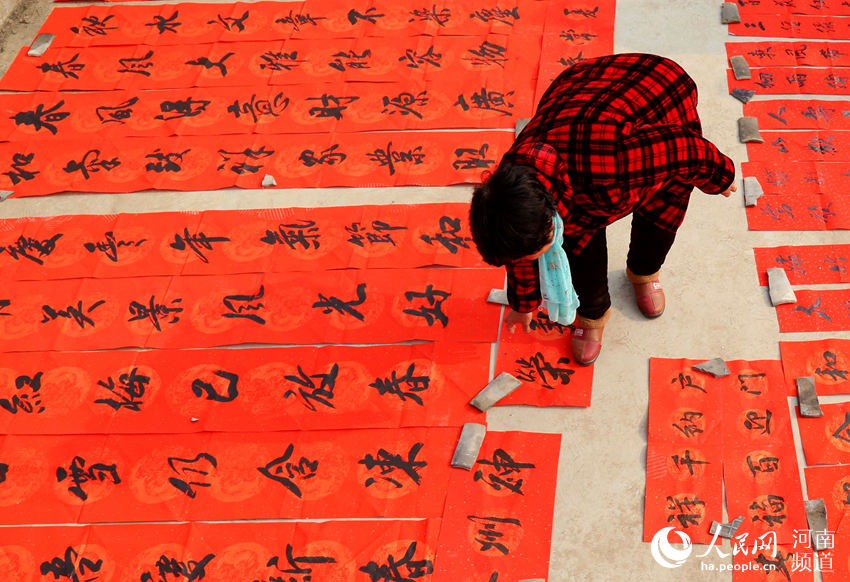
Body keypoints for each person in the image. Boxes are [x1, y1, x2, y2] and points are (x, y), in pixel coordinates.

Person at [469, 53, 737, 366]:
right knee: (577, 248)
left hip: (660, 95)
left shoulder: (618, 163)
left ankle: (644, 272)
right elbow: (521, 250)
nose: (533, 260)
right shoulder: (513, 188)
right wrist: (523, 302)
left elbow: (686, 149)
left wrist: (721, 177)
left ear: (548, 220)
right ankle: (592, 316)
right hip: (581, 95)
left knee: (659, 214)